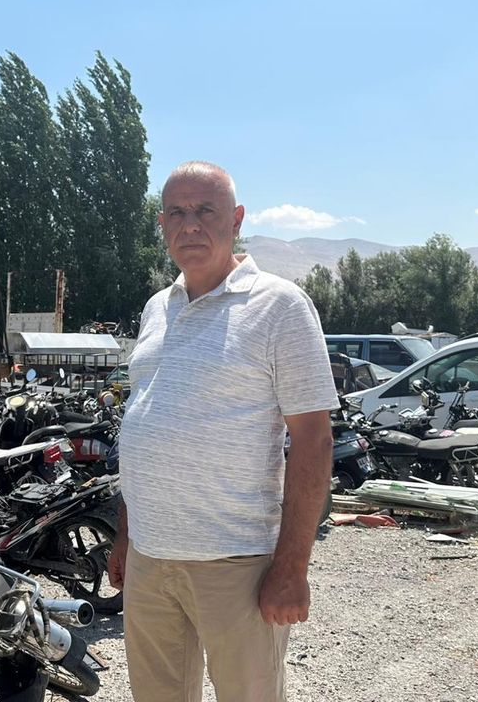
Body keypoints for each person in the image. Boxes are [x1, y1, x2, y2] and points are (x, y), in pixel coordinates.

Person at [108, 161, 337, 702]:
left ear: (235, 219)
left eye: (205, 210)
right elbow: (146, 423)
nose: (190, 224)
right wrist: (126, 533)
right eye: (176, 213)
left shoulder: (279, 305)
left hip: (236, 562)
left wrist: (291, 567)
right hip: (150, 558)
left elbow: (313, 439)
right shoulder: (156, 308)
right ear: (162, 224)